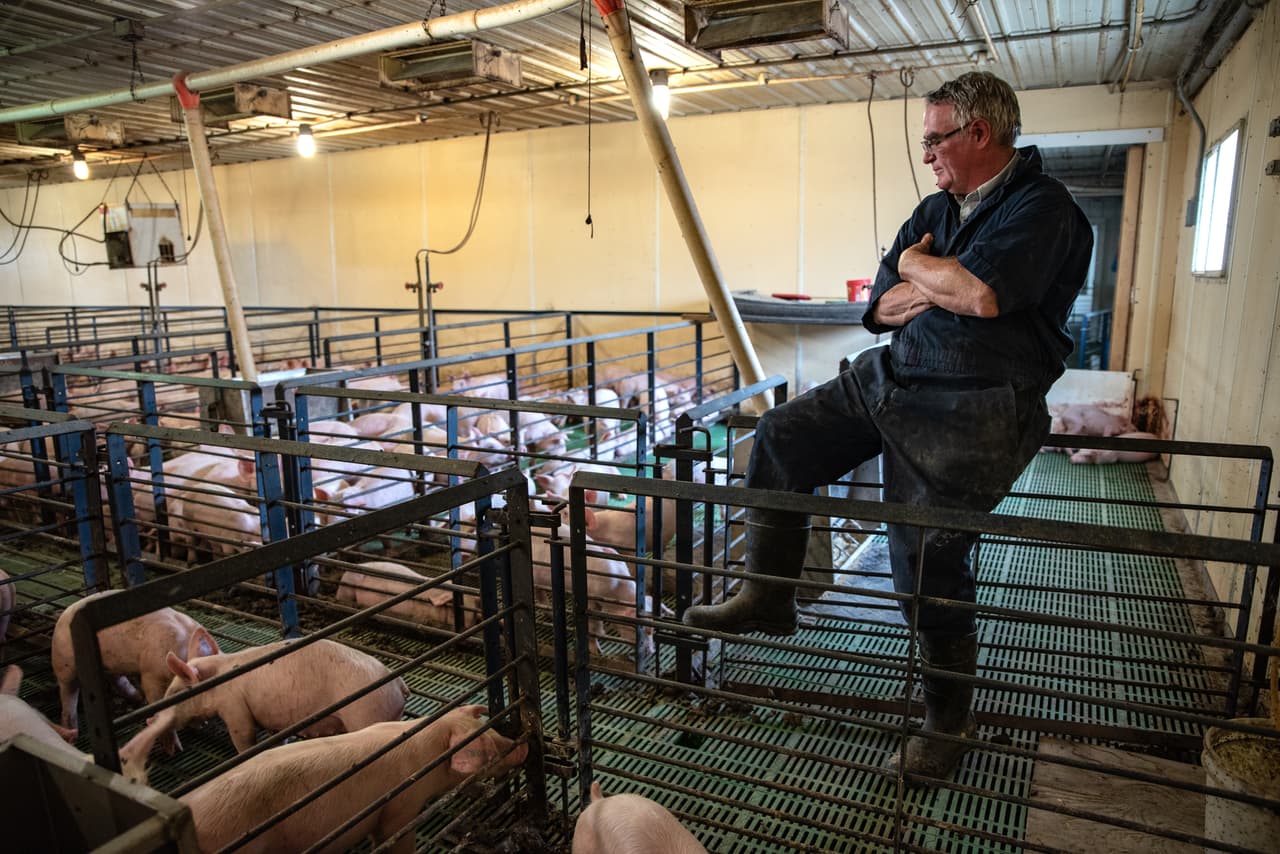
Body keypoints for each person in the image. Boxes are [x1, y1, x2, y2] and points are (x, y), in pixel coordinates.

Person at [682, 71, 1093, 782]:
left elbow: (981, 295)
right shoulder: (938, 207)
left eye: (935, 140)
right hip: (894, 374)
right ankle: (769, 595)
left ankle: (947, 721)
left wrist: (917, 265)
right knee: (782, 435)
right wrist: (921, 276)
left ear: (980, 134)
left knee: (926, 557)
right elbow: (878, 306)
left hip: (979, 401)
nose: (927, 154)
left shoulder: (1045, 208)